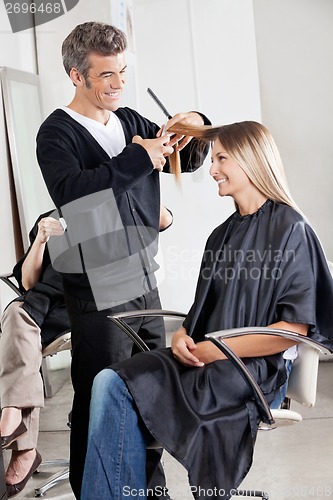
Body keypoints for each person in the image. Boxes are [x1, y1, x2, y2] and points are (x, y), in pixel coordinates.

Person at [80, 121, 333, 500]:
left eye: (222, 158)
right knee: (109, 383)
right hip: (205, 360)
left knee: (127, 403)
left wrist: (217, 349)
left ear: (252, 160)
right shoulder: (222, 234)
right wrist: (182, 337)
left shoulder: (291, 228)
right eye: (214, 159)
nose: (212, 169)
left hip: (251, 373)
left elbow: (293, 330)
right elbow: (198, 314)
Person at [36, 22, 208, 497]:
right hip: (96, 284)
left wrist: (191, 126)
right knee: (99, 397)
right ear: (76, 75)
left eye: (123, 72)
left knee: (151, 392)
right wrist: (139, 159)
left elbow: (187, 159)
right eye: (106, 75)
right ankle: (95, 490)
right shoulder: (56, 135)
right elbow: (73, 195)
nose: (118, 83)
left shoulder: (132, 120)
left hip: (141, 277)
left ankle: (149, 490)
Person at [0, 212, 67, 498]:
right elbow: (28, 282)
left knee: (18, 320)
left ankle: (17, 424)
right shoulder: (50, 219)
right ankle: (24, 446)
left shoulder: (108, 214)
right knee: (18, 315)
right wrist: (41, 239)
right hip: (39, 305)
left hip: (79, 311)